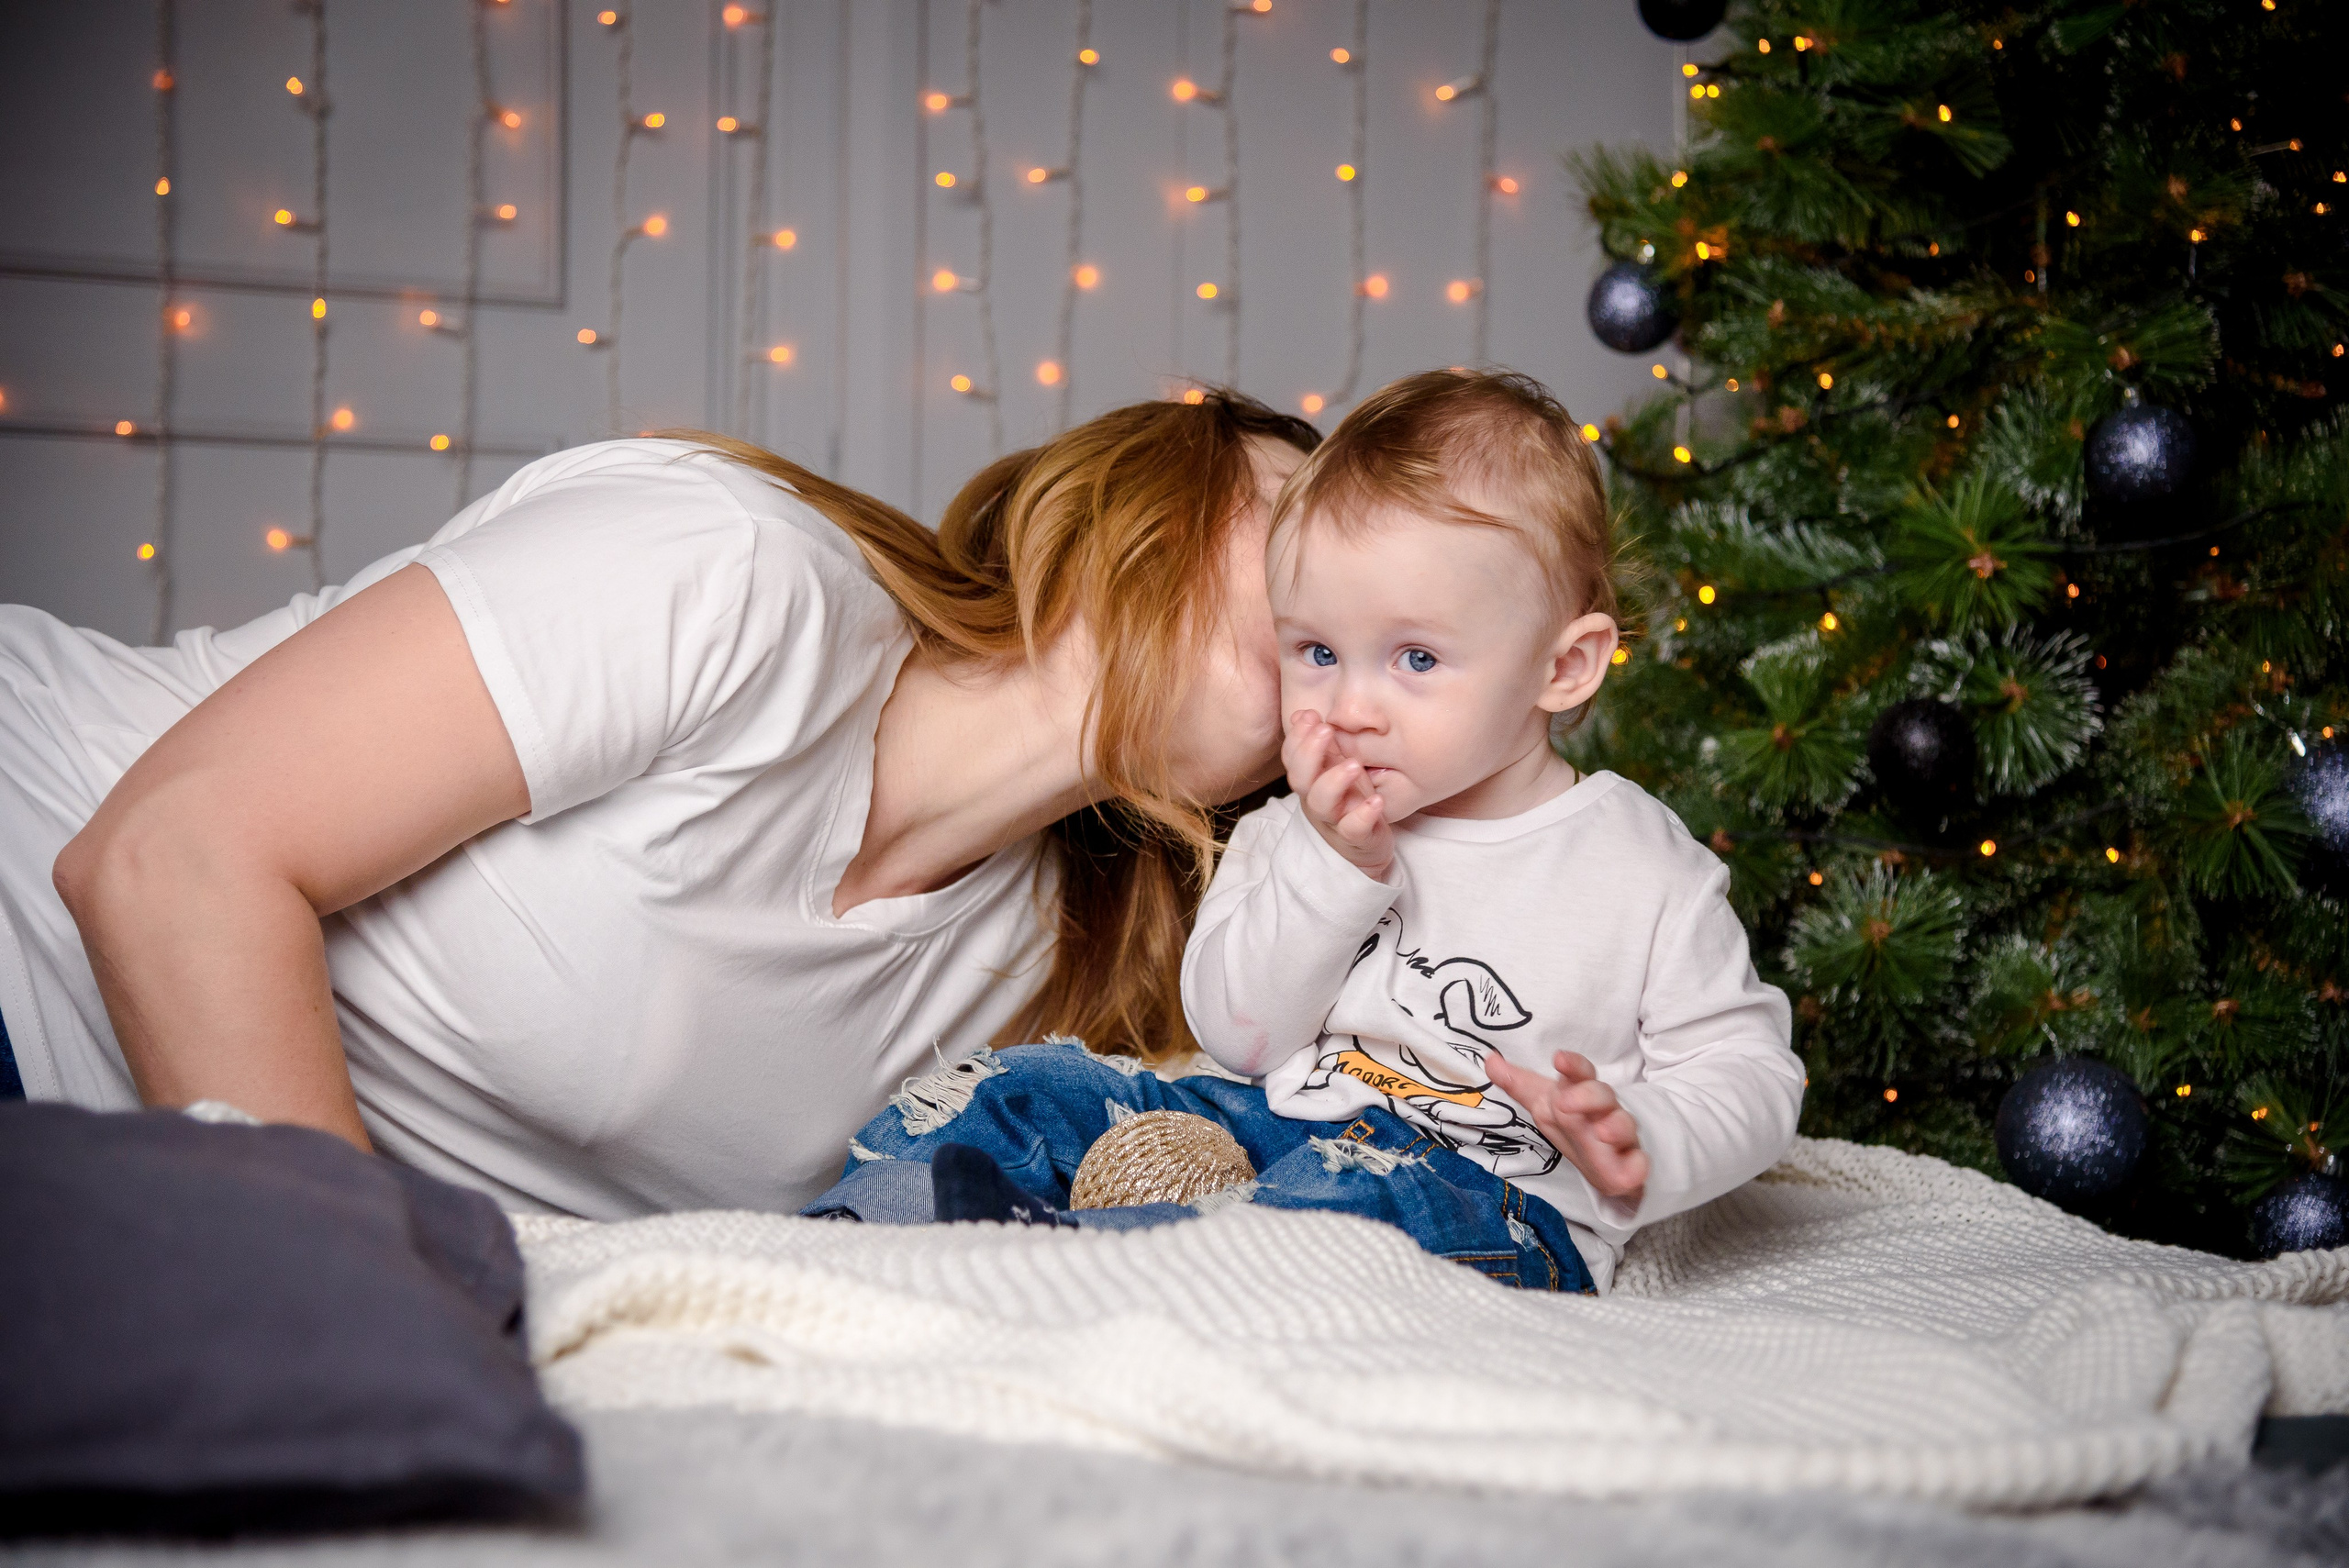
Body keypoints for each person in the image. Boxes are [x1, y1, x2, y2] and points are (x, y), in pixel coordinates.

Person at [0, 392, 1319, 1218]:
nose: (1332, 610)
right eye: (1295, 530)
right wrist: (354, 1327)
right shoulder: (740, 576)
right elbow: (169, 857)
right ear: (1149, 481)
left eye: (1382, 636)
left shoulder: (1066, 995)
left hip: (106, 1200)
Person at [815, 371, 1803, 1294]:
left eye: (1415, 656)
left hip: (1488, 1192)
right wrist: (1336, 871)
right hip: (1275, 1123)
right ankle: (859, 1235)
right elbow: (1237, 1037)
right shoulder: (1297, 833)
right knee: (1027, 1083)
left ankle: (1063, 1273)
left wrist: (1647, 1138)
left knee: (1355, 1198)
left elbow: (1749, 1070)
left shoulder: (1639, 864)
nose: (1352, 703)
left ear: (1565, 667)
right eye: (1318, 650)